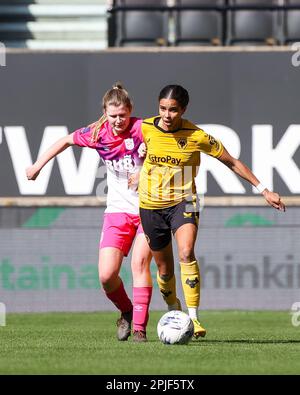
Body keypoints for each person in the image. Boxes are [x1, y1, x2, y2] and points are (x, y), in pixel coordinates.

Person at [138, 84, 286, 339]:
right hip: (150, 204)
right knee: (164, 270)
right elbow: (120, 142)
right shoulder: (145, 128)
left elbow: (231, 161)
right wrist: (136, 163)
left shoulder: (197, 135)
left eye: (173, 110)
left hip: (185, 200)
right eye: (163, 108)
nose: (167, 115)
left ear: (183, 109)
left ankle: (193, 318)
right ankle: (175, 311)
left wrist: (263, 190)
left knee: (186, 252)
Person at [26, 83, 154, 342]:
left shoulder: (145, 128)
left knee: (139, 264)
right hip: (117, 212)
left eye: (123, 115)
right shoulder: (98, 133)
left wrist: (146, 169)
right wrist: (38, 165)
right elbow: (64, 141)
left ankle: (140, 329)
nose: (119, 120)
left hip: (147, 209)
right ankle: (127, 311)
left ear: (131, 111)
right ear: (105, 113)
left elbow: (168, 151)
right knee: (107, 276)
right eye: (113, 115)